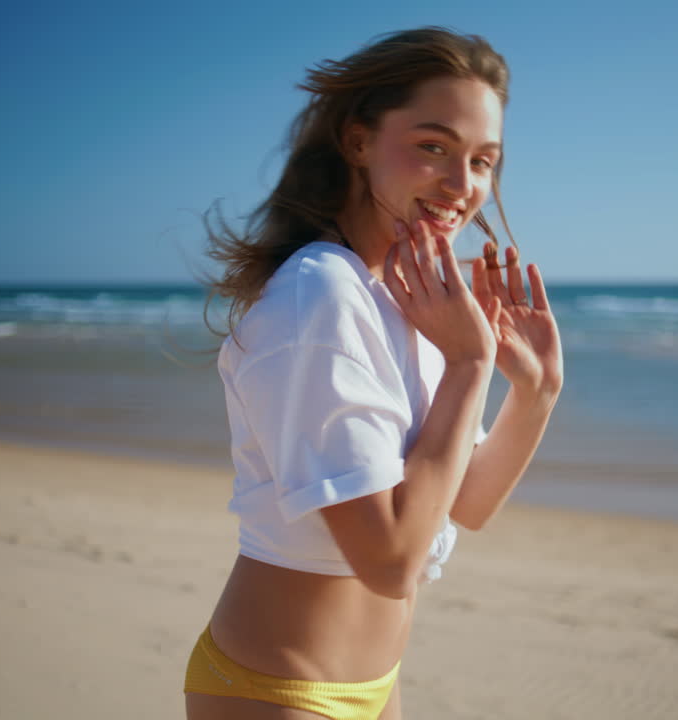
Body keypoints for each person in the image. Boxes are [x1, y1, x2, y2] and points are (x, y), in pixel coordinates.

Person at [184, 27, 563, 720]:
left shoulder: (403, 294)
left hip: (378, 688)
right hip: (277, 691)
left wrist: (536, 393)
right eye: (432, 147)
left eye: (484, 161)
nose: (463, 185)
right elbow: (389, 561)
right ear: (358, 141)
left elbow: (462, 504)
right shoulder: (318, 296)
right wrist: (469, 362)